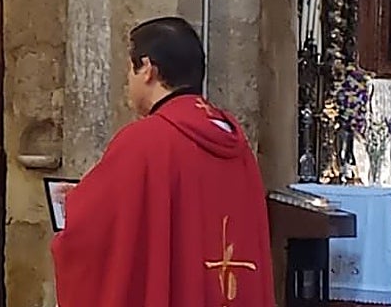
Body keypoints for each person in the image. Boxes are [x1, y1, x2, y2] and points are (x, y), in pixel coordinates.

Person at [51, 16, 274, 307]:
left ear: (147, 69)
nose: (127, 81)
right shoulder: (235, 139)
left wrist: (71, 205)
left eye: (130, 70)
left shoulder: (145, 141)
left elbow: (90, 236)